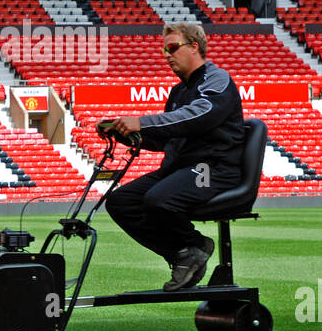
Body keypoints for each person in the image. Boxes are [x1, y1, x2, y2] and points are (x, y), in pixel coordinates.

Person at [104, 22, 246, 291]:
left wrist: (142, 122)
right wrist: (122, 133)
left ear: (194, 47)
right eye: (164, 50)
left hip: (212, 169)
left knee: (159, 199)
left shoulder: (216, 79)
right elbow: (165, 137)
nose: (167, 55)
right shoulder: (178, 91)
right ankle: (184, 254)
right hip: (181, 168)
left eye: (172, 47)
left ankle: (195, 245)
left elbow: (201, 115)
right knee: (121, 201)